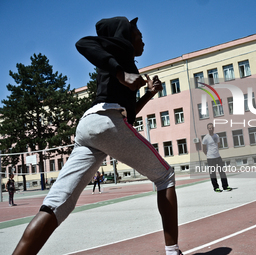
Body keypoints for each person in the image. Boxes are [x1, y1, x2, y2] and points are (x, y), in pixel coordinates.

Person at [13, 17, 182, 255]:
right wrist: (122, 74)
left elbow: (129, 117)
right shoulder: (120, 50)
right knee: (165, 176)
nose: (143, 40)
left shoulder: (121, 61)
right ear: (126, 35)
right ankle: (173, 251)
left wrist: (148, 94)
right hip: (106, 122)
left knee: (57, 203)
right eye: (139, 36)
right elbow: (83, 43)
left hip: (89, 126)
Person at [202, 123, 232, 192]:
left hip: (218, 157)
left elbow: (218, 144)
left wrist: (216, 152)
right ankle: (216, 187)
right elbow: (203, 149)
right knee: (213, 173)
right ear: (207, 129)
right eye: (209, 128)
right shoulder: (206, 138)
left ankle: (225, 186)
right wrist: (208, 155)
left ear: (213, 128)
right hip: (210, 158)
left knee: (222, 172)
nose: (211, 129)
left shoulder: (217, 136)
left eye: (212, 128)